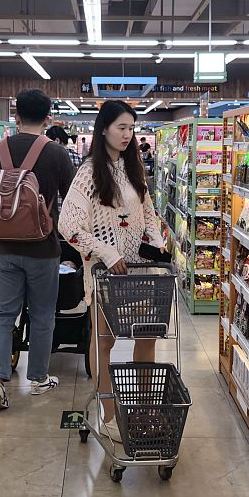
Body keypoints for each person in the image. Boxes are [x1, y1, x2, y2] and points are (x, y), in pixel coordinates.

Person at [58, 100, 164, 442]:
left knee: (146, 337)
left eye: (131, 128)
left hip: (141, 271)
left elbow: (148, 212)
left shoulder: (134, 169)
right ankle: (108, 413)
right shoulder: (89, 174)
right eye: (121, 127)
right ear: (103, 128)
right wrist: (105, 252)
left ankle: (145, 409)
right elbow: (68, 225)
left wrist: (157, 241)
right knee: (105, 340)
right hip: (106, 274)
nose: (127, 134)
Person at [0, 89, 75, 410]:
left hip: (2, 247)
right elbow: (72, 199)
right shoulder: (57, 154)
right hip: (43, 248)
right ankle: (38, 377)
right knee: (43, 314)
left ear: (16, 116)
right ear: (48, 118)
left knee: (3, 314)